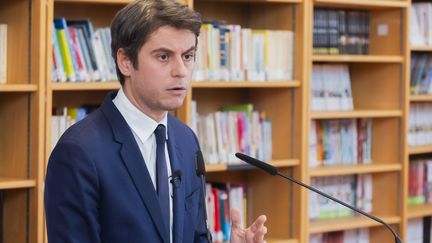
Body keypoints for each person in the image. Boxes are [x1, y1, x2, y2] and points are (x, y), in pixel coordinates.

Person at [44, 0, 268, 242]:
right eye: (163, 56)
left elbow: (194, 236)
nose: (181, 71)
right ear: (125, 62)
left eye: (188, 56)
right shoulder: (79, 152)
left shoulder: (186, 139)